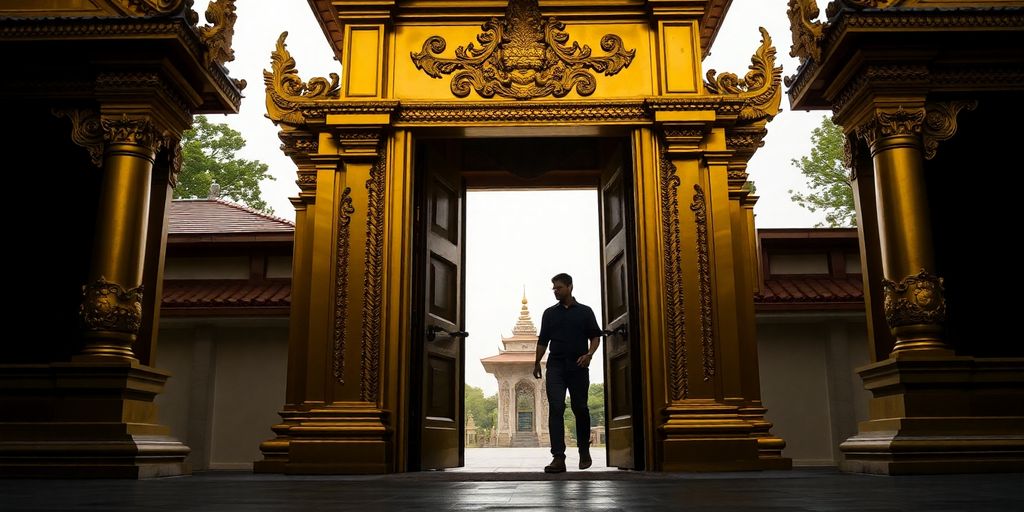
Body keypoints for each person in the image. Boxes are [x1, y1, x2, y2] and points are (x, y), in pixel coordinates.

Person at [533, 272, 602, 473]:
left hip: (578, 366)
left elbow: (595, 337)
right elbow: (543, 341)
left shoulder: (585, 312)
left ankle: (584, 451)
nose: (555, 291)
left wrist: (589, 354)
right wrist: (537, 362)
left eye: (559, 287)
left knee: (580, 407)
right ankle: (558, 457)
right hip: (555, 366)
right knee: (555, 408)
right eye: (553, 288)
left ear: (570, 287)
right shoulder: (549, 313)